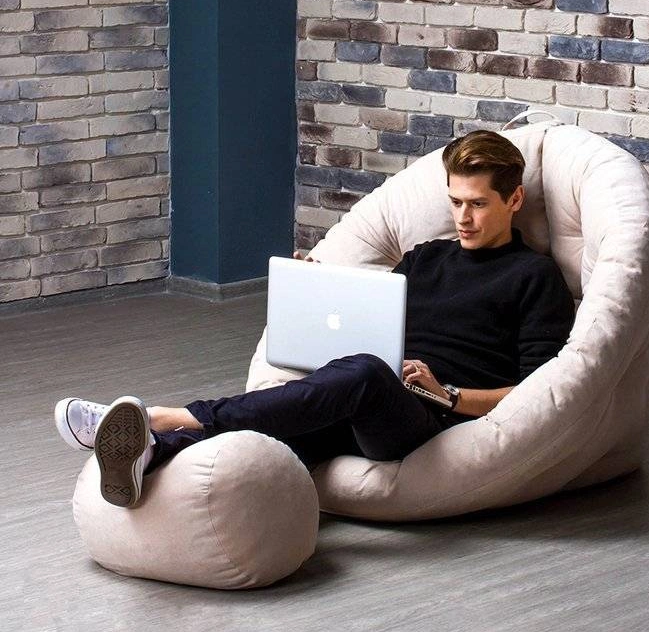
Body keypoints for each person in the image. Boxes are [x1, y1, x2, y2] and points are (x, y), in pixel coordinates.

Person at [55, 131, 576, 508]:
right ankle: (151, 452)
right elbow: (370, 320)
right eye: (455, 202)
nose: (463, 218)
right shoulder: (426, 257)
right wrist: (316, 291)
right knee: (278, 437)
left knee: (365, 373)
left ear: (514, 199)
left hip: (428, 421)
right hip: (367, 397)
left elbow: (537, 392)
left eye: (478, 204)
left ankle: (170, 416)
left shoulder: (535, 277)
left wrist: (449, 394)